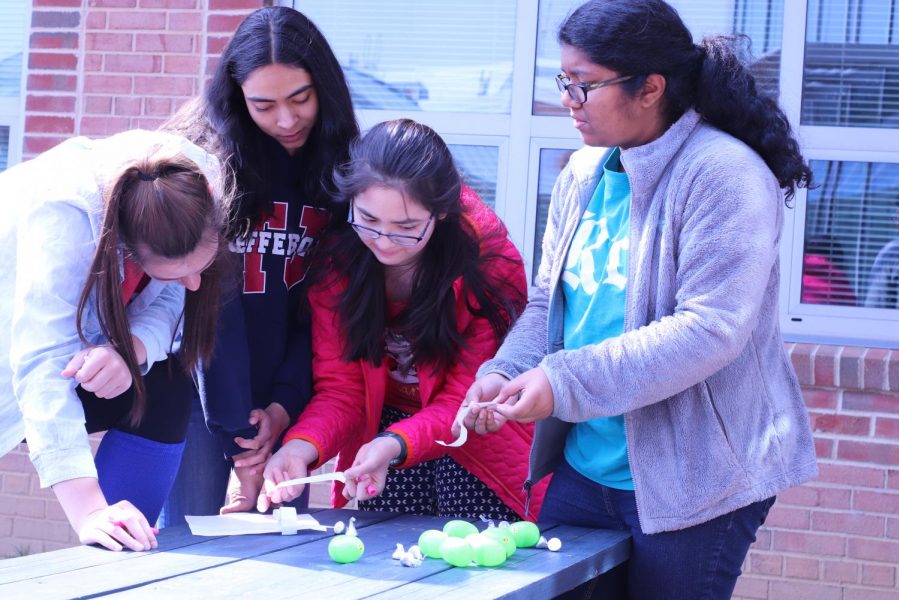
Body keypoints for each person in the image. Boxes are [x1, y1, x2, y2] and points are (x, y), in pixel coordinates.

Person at [460, 1, 818, 598]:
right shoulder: (583, 173)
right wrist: (507, 370)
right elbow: (551, 299)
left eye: (584, 85)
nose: (568, 99)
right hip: (585, 465)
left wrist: (560, 383)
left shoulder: (724, 174)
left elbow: (709, 330)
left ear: (651, 87)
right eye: (564, 81)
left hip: (696, 483)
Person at [259, 119, 546, 521]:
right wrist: (299, 448)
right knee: (394, 558)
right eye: (369, 220)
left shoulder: (488, 262)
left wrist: (393, 442)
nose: (384, 240)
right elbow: (343, 389)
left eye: (406, 227)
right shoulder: (336, 261)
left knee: (472, 561)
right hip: (386, 431)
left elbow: (466, 397)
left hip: (476, 435)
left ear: (442, 211)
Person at [159, 5, 359, 523]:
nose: (286, 120)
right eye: (263, 105)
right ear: (236, 96)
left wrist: (283, 410)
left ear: (325, 88)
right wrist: (239, 433)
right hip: (197, 397)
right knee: (180, 559)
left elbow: (325, 310)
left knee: (273, 562)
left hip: (287, 405)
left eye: (301, 98)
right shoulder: (202, 160)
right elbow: (204, 302)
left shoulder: (342, 171)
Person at [0, 129, 228, 552]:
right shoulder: (64, 217)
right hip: (16, 359)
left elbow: (171, 293)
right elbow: (43, 367)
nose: (195, 284)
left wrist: (133, 349)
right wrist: (88, 509)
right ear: (125, 246)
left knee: (167, 384)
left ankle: (121, 552)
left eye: (199, 267)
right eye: (176, 271)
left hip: (65, 356)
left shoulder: (194, 184)